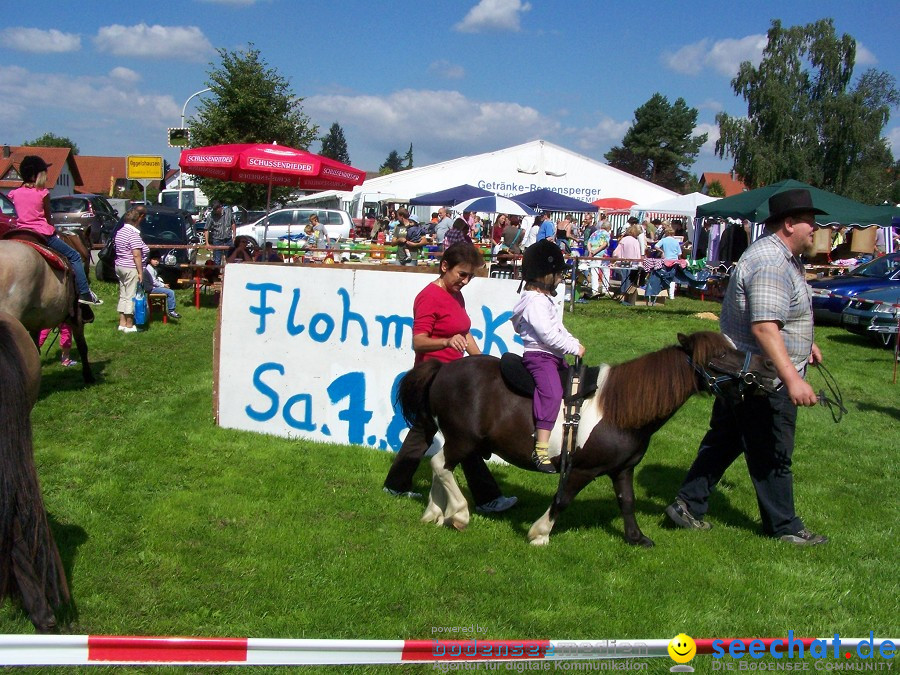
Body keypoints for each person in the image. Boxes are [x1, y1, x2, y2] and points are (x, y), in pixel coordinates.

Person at [665, 188, 829, 547]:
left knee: (724, 441)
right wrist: (793, 380)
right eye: (810, 222)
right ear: (789, 224)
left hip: (747, 373)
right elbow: (765, 327)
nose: (815, 228)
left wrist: (806, 343)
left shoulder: (783, 257)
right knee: (772, 453)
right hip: (763, 379)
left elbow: (781, 315)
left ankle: (687, 505)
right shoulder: (771, 261)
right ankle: (784, 526)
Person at [383, 243, 518, 515]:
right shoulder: (429, 297)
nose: (465, 281)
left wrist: (485, 363)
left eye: (469, 276)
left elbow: (464, 332)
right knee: (466, 436)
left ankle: (395, 485)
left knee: (422, 432)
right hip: (434, 380)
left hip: (453, 380)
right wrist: (446, 341)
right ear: (444, 266)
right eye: (461, 274)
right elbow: (418, 342)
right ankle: (488, 498)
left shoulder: (456, 295)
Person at [511, 240, 585, 472]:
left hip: (552, 357)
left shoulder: (543, 301)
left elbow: (559, 330)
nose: (561, 278)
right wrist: (572, 348)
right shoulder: (535, 303)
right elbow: (548, 335)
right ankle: (540, 449)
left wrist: (574, 342)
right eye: (558, 273)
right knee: (552, 394)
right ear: (544, 275)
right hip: (540, 358)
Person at [8, 156, 102, 305]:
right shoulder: (42, 193)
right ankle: (84, 293)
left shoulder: (14, 193)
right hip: (41, 233)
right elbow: (47, 217)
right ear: (37, 175)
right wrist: (52, 227)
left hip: (21, 231)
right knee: (74, 256)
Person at [114, 206, 149, 333]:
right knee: (130, 296)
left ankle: (121, 322)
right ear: (136, 220)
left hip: (120, 266)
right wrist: (140, 272)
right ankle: (129, 325)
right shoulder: (133, 234)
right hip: (130, 267)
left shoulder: (120, 232)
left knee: (123, 295)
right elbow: (136, 254)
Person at [143, 251, 182, 320]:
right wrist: (163, 285)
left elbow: (156, 279)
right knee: (170, 292)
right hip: (150, 288)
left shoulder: (152, 268)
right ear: (149, 260)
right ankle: (171, 310)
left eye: (158, 260)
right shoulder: (149, 269)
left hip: (152, 287)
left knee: (168, 290)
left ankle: (167, 310)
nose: (156, 261)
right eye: (154, 259)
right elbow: (154, 282)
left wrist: (162, 284)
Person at [205, 201, 234, 265]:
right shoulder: (211, 216)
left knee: (230, 260)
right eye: (214, 209)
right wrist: (207, 243)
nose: (215, 211)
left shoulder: (228, 212)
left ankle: (229, 274)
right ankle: (216, 273)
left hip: (228, 239)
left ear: (220, 207)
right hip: (217, 240)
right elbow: (206, 229)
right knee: (217, 261)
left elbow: (233, 223)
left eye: (216, 209)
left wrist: (234, 236)